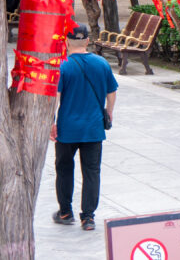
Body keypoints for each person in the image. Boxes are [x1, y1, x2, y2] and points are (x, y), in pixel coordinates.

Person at [51, 25, 118, 231]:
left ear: (67, 42)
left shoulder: (62, 66)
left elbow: (56, 96)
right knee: (91, 172)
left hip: (67, 129)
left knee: (64, 169)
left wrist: (51, 122)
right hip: (93, 128)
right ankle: (88, 217)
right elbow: (111, 91)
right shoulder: (102, 63)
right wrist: (109, 111)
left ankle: (65, 212)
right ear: (88, 41)